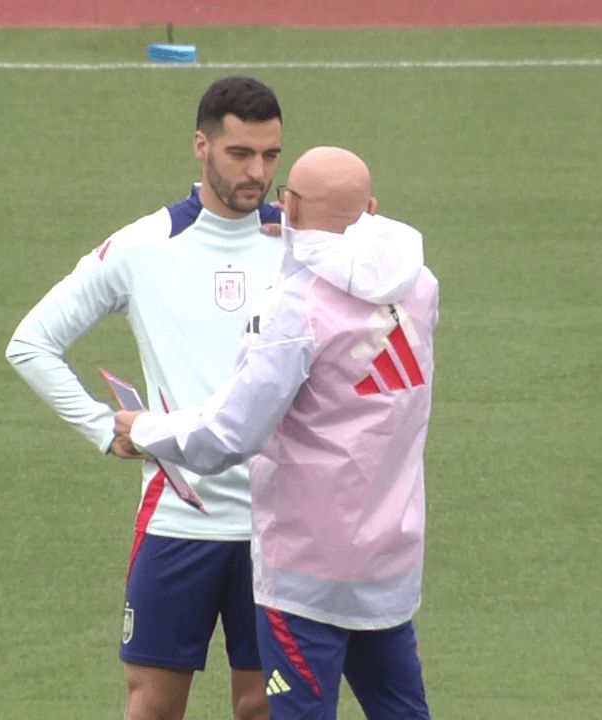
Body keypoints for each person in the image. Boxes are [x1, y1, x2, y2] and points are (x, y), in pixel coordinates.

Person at [115, 146, 438, 719]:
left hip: (305, 573)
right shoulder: (419, 286)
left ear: (287, 205)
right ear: (371, 208)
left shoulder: (292, 310)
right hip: (388, 563)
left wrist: (147, 429)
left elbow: (228, 436)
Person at [6, 76, 285, 720]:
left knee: (263, 709)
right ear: (201, 146)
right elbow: (32, 343)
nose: (259, 172)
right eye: (241, 154)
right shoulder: (142, 247)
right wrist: (105, 430)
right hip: (178, 521)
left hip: (279, 526)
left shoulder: (303, 245)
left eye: (271, 155)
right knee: (153, 707)